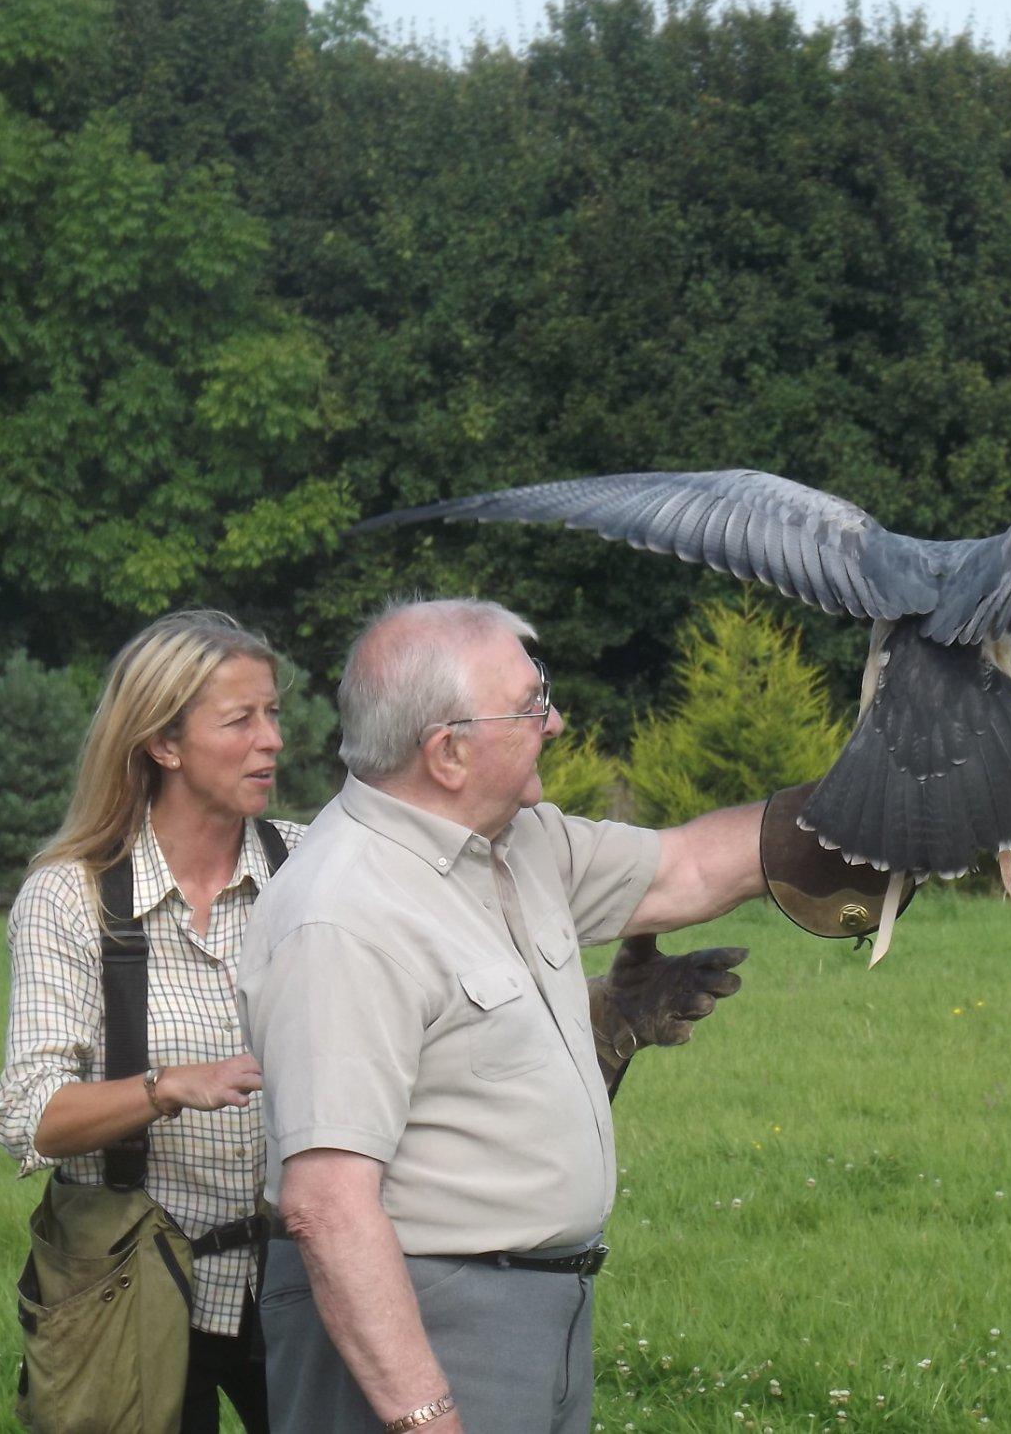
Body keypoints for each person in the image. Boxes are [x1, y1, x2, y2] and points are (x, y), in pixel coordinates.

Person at [0, 609, 743, 1434]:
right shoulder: (74, 896)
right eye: (241, 721)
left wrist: (597, 1021)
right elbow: (30, 1114)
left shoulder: (311, 860)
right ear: (163, 744)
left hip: (304, 1280)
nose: (273, 740)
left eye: (274, 712)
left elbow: (436, 1053)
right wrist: (167, 1088)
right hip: (140, 1286)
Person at [238, 597, 774, 1434]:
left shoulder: (519, 843)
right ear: (448, 752)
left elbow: (692, 869)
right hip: (426, 1323)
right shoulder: (344, 913)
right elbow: (327, 1205)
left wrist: (885, 800)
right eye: (530, 705)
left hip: (536, 1313)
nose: (556, 721)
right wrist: (426, 1416)